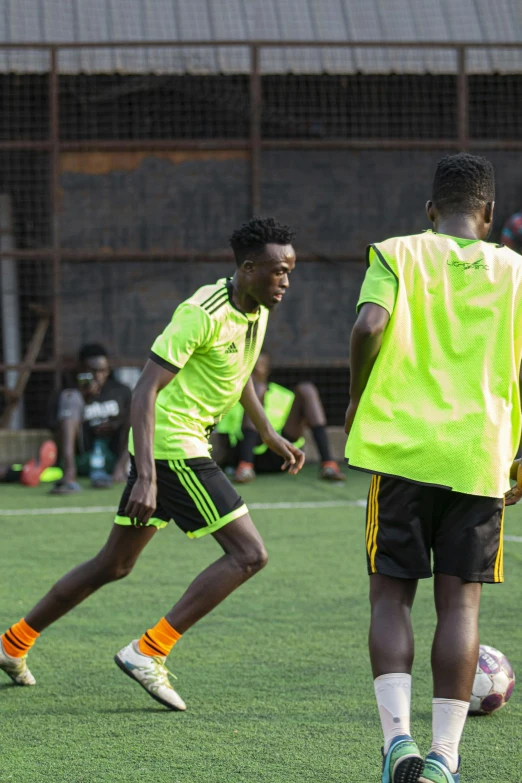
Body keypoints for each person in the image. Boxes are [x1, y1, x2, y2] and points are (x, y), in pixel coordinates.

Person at [0, 216, 304, 712]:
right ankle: (149, 650)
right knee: (249, 554)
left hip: (181, 446)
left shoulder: (257, 306)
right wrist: (145, 474)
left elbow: (240, 368)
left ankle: (12, 643)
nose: (286, 282)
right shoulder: (200, 312)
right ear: (248, 269)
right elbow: (144, 390)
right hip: (171, 445)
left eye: (290, 271)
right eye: (278, 272)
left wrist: (267, 431)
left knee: (113, 564)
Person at [344, 154, 522, 783]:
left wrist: (356, 394)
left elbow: (369, 325)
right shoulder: (515, 271)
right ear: (491, 214)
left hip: (400, 449)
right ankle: (446, 758)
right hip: (480, 454)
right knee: (461, 605)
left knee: (392, 593)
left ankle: (397, 742)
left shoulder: (397, 252)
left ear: (430, 211)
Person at [214, 351, 345, 482]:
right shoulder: (231, 398)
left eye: (259, 365)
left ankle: (328, 465)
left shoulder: (284, 395)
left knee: (306, 389)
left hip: (281, 454)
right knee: (257, 389)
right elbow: (224, 438)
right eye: (250, 365)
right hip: (248, 452)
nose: (254, 369)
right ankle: (245, 467)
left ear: (267, 370)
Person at [49, 343, 132, 493]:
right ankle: (69, 474)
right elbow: (55, 428)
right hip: (83, 452)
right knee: (70, 397)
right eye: (92, 371)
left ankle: (120, 470)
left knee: (138, 408)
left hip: (113, 453)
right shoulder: (68, 392)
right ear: (81, 369)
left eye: (103, 371)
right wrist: (83, 398)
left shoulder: (121, 391)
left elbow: (131, 424)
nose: (98, 376)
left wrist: (114, 424)